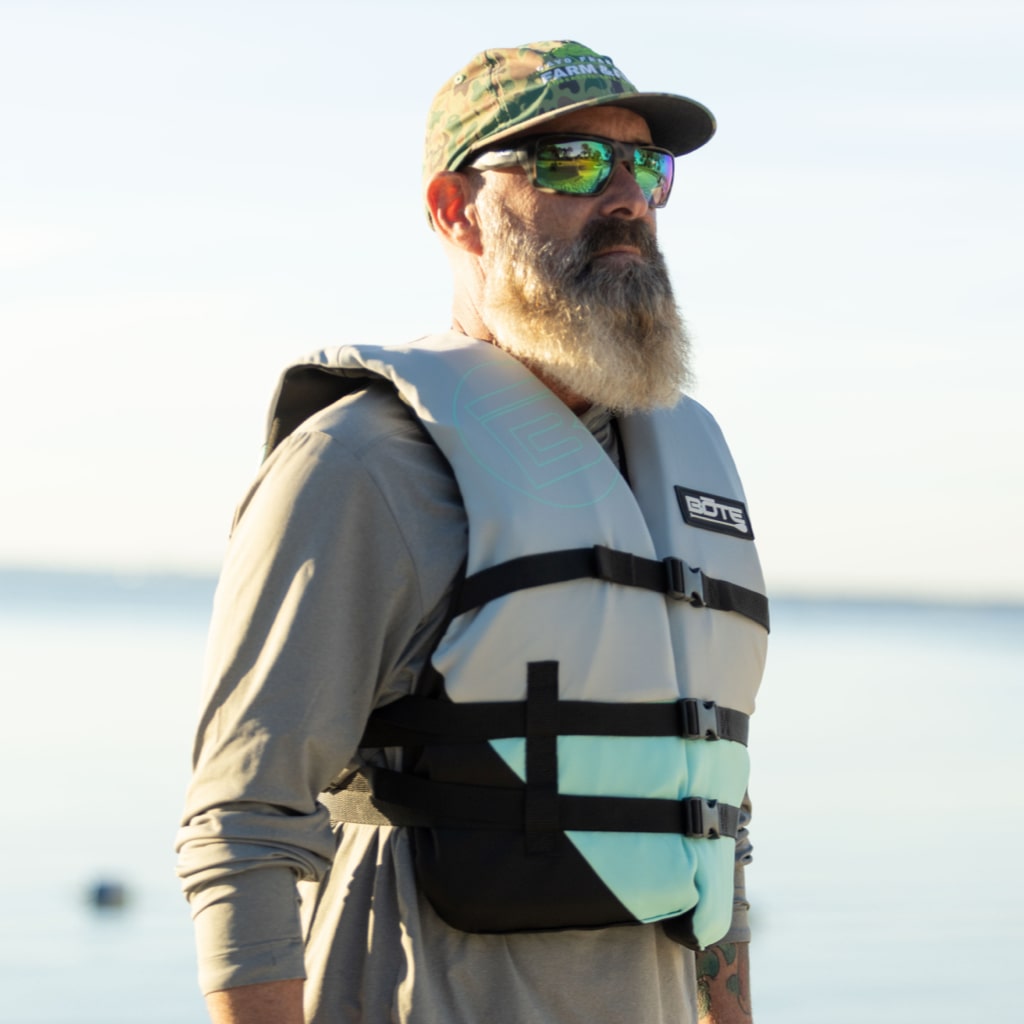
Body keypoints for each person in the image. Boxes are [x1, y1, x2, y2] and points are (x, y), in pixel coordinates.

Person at [176, 40, 769, 1024]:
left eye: (644, 168)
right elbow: (245, 818)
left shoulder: (684, 464)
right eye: (571, 163)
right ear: (456, 211)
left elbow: (701, 803)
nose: (624, 197)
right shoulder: (362, 463)